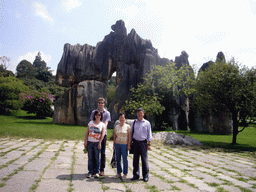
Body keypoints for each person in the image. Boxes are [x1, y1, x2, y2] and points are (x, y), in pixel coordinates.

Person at [90, 97, 111, 176]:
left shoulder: (107, 113)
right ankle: (94, 169)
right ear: (97, 103)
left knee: (102, 152)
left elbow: (105, 124)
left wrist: (101, 133)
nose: (100, 104)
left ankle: (102, 169)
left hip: (103, 134)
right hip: (94, 134)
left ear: (104, 104)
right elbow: (92, 123)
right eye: (99, 102)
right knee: (94, 152)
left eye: (102, 103)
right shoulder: (93, 112)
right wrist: (96, 132)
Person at [131, 108, 152, 182]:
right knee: (135, 160)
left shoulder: (147, 123)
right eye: (138, 113)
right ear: (136, 114)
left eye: (141, 113)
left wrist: (149, 144)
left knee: (144, 160)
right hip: (135, 143)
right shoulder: (134, 122)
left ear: (143, 114)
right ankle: (136, 175)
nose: (139, 114)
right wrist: (130, 142)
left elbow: (149, 134)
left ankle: (145, 176)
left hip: (143, 143)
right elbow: (131, 132)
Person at [84, 111, 106, 178]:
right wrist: (85, 141)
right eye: (96, 115)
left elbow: (103, 134)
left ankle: (97, 172)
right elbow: (87, 132)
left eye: (99, 115)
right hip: (90, 142)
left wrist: (100, 142)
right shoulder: (90, 123)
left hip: (97, 143)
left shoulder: (102, 124)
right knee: (90, 158)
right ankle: (90, 172)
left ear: (101, 116)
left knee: (97, 158)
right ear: (94, 116)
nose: (97, 116)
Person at [113, 113, 131, 179]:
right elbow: (115, 136)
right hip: (117, 144)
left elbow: (129, 137)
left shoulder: (128, 127)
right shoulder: (116, 126)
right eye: (120, 117)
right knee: (118, 159)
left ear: (125, 119)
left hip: (124, 144)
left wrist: (129, 145)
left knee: (125, 159)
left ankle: (125, 173)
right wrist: (113, 144)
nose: (122, 119)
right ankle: (118, 173)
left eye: (123, 118)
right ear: (119, 118)